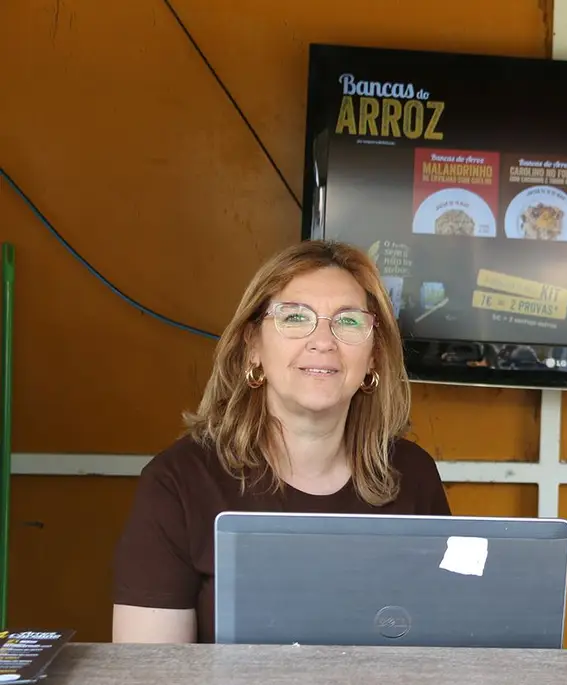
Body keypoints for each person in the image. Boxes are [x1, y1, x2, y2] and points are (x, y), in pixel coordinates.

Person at [112, 239, 451, 644]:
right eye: (295, 318)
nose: (323, 341)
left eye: (348, 322)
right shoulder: (178, 483)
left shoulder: (412, 475)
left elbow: (441, 648)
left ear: (374, 356)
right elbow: (150, 681)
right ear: (252, 346)